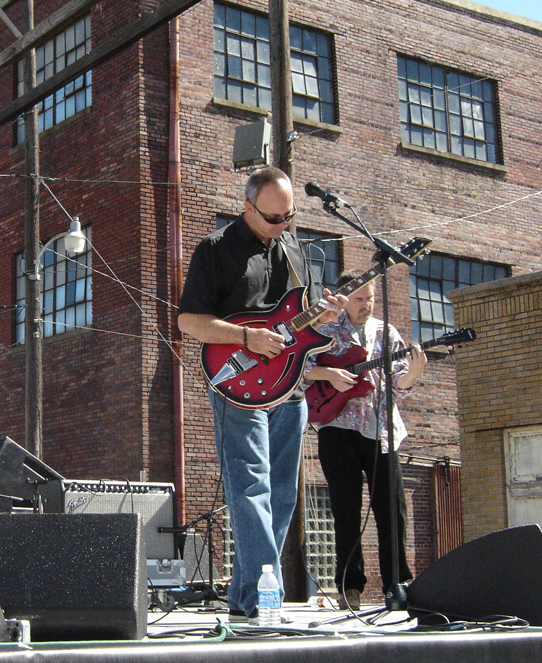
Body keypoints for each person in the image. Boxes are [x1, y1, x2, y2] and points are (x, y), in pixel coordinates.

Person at [178, 167, 344, 623]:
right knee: (252, 488)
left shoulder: (295, 248)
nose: (282, 224)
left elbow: (304, 323)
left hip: (291, 386)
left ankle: (245, 595)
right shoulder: (216, 248)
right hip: (238, 386)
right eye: (273, 218)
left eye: (289, 215)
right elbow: (189, 321)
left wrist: (326, 316)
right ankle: (264, 599)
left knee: (283, 495)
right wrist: (246, 337)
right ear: (248, 207)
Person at [304, 272, 426, 609]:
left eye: (370, 298)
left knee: (393, 510)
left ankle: (397, 585)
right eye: (359, 299)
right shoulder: (325, 329)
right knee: (345, 510)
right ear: (345, 299)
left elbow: (399, 383)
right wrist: (329, 374)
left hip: (382, 429)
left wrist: (414, 372)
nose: (366, 305)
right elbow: (300, 367)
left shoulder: (386, 333)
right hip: (337, 426)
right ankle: (350, 587)